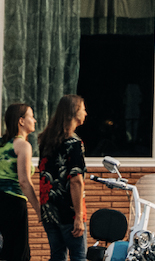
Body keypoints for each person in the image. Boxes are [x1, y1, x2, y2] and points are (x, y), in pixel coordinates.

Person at [38, 95, 88, 261]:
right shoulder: (74, 143)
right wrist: (79, 217)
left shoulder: (46, 141)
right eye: (83, 109)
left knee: (57, 256)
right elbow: (75, 180)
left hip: (49, 211)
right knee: (78, 256)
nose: (86, 113)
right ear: (74, 112)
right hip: (69, 212)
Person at [0, 104, 40, 261]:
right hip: (14, 203)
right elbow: (24, 181)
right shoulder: (23, 145)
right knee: (18, 253)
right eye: (31, 116)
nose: (35, 120)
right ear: (21, 121)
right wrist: (38, 209)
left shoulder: (2, 144)